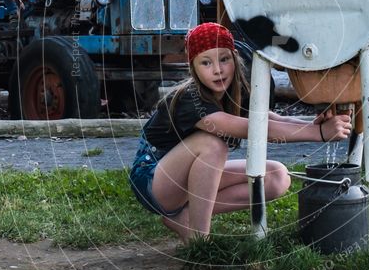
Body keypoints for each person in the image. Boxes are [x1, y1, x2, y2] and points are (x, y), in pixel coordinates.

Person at [130, 22, 352, 243]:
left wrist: (313, 125)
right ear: (193, 68)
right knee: (212, 145)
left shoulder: (236, 90)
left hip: (189, 177)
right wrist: (320, 134)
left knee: (277, 177)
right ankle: (199, 241)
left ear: (234, 58)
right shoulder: (190, 99)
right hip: (154, 180)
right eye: (206, 62)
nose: (218, 69)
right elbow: (254, 129)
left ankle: (183, 217)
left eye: (224, 59)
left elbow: (267, 118)